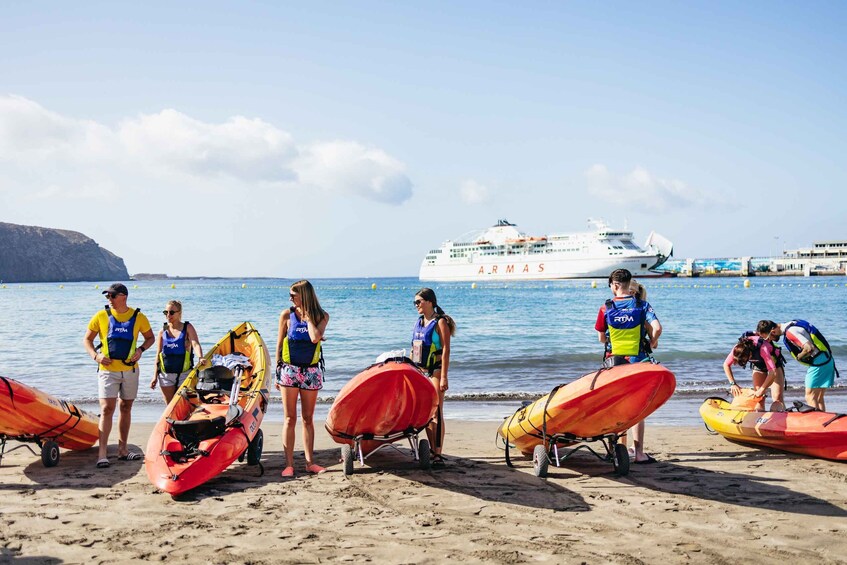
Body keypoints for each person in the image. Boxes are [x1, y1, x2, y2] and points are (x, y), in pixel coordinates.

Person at [82, 283, 155, 468]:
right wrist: (96, 356)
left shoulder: (139, 317)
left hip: (130, 370)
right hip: (107, 371)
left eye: (112, 296)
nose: (109, 300)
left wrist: (140, 350)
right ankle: (102, 454)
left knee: (126, 407)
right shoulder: (101, 316)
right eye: (107, 297)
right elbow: (87, 340)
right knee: (107, 408)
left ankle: (123, 450)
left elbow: (150, 337)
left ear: (123, 296)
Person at [595, 269, 661, 464]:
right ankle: (639, 453)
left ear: (614, 285)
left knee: (617, 406)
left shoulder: (605, 308)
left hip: (614, 363)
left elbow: (601, 338)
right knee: (638, 408)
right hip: (638, 363)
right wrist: (650, 343)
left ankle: (618, 450)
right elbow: (657, 329)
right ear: (628, 283)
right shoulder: (642, 306)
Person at [275, 280, 329, 478]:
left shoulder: (322, 316)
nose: (290, 298)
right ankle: (288, 464)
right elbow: (279, 344)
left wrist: (307, 319)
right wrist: (277, 371)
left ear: (304, 296)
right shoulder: (286, 315)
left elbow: (315, 338)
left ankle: (309, 463)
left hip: (311, 372)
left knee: (308, 419)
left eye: (293, 294)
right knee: (290, 418)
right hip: (289, 370)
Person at [411, 288, 456, 467]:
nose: (416, 305)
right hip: (421, 371)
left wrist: (444, 377)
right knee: (427, 415)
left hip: (435, 371)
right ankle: (430, 449)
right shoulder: (419, 322)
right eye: (415, 303)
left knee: (436, 412)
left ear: (430, 302)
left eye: (419, 302)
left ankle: (438, 453)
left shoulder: (440, 322)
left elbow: (446, 350)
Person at [759, 319, 836, 411]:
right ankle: (824, 421)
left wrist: (799, 356)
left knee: (810, 396)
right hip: (827, 359)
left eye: (768, 338)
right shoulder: (793, 323)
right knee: (818, 397)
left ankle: (816, 423)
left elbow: (808, 348)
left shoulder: (790, 332)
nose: (769, 340)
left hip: (819, 363)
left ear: (773, 331)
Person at [149, 300, 206, 404]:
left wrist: (200, 357)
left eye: (171, 312)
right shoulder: (162, 331)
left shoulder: (187, 327)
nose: (168, 315)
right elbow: (158, 355)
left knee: (183, 404)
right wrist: (154, 376)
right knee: (170, 406)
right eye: (166, 312)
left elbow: (195, 343)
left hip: (184, 374)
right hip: (165, 375)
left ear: (179, 313)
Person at [722, 330, 785, 411]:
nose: (743, 362)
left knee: (777, 398)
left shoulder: (762, 348)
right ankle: (759, 420)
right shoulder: (737, 349)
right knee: (759, 398)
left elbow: (773, 372)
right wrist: (733, 383)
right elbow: (726, 365)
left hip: (775, 365)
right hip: (759, 366)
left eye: (744, 360)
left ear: (750, 354)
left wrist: (763, 389)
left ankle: (780, 418)